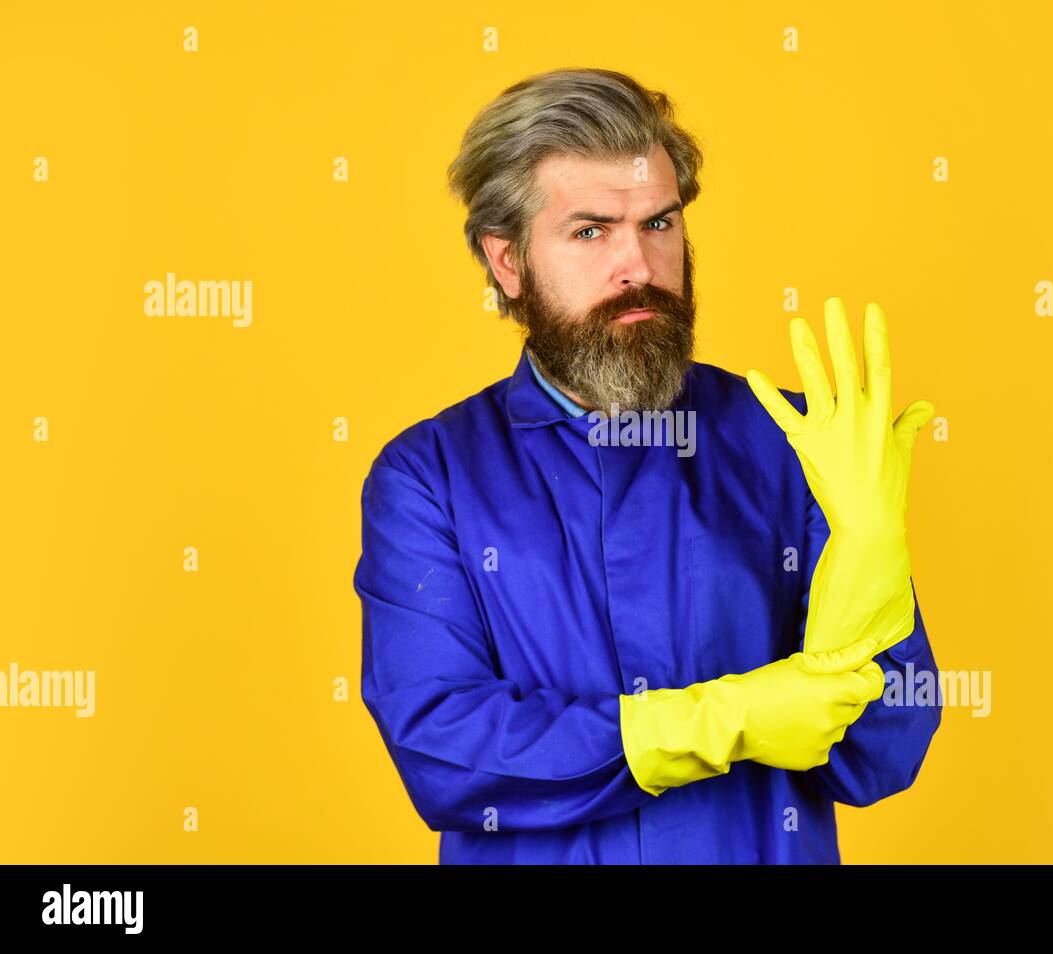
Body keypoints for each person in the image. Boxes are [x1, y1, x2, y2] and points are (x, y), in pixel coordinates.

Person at [353, 67, 941, 864]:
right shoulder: (431, 479)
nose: (638, 265)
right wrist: (718, 721)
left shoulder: (795, 441)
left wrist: (874, 561)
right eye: (590, 231)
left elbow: (883, 755)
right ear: (507, 262)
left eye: (659, 224)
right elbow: (444, 749)